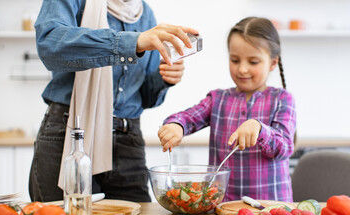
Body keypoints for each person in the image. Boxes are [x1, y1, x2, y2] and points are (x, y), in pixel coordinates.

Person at [29, 0, 198, 203]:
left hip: (128, 141)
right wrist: (133, 42)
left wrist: (164, 78)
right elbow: (50, 44)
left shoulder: (145, 14)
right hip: (70, 133)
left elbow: (146, 97)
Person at [158, 17, 296, 202]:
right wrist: (176, 126)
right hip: (222, 206)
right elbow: (187, 118)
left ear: (272, 63)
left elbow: (284, 147)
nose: (243, 69)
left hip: (271, 207)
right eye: (235, 60)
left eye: (253, 62)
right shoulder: (218, 99)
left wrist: (260, 130)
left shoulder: (281, 99)